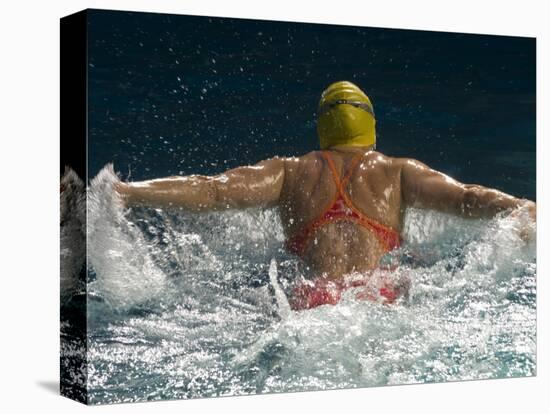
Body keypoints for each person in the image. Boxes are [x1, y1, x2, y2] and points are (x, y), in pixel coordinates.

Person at [115, 81, 536, 310]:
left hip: (306, 301)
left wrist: (128, 192)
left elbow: (210, 191)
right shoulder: (396, 172)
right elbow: (468, 198)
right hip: (377, 299)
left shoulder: (288, 171)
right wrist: (521, 207)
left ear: (323, 126)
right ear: (369, 124)